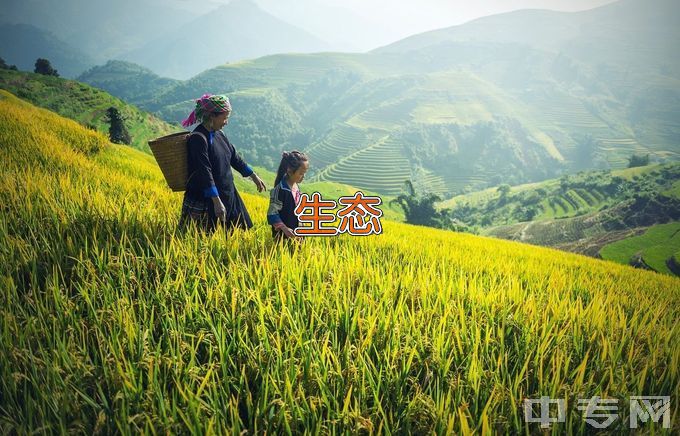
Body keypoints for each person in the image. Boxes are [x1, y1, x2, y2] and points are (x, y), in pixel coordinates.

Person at [178, 94, 266, 234]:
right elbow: (204, 172)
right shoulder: (198, 138)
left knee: (237, 235)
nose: (226, 122)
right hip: (207, 198)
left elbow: (234, 158)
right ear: (212, 116)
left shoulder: (220, 134)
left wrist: (253, 176)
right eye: (224, 118)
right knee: (202, 238)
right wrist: (216, 202)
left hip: (227, 193)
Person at [267, 151, 309, 240]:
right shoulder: (280, 190)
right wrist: (285, 229)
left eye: (305, 173)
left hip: (298, 235)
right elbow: (272, 214)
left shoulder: (296, 187)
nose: (303, 176)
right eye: (301, 173)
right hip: (284, 237)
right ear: (289, 171)